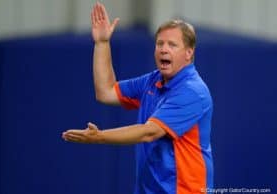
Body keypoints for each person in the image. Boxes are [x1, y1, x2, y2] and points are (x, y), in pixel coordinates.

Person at [62, 2, 213, 194]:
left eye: (172, 45)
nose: (163, 49)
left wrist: (99, 137)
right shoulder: (153, 81)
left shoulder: (193, 91)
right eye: (160, 43)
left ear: (188, 53)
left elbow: (149, 132)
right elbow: (106, 92)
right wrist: (102, 43)